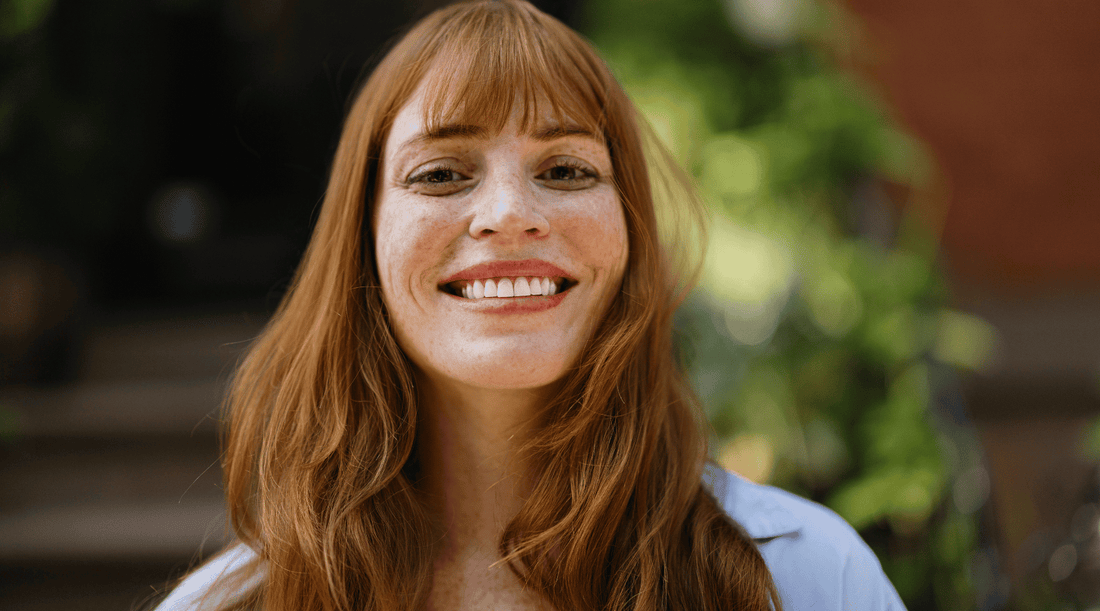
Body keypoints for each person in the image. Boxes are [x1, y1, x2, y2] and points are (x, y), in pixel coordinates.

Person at [152, 1, 906, 609]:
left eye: (567, 168)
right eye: (443, 173)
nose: (510, 213)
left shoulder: (812, 578)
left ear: (631, 232)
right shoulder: (232, 605)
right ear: (363, 239)